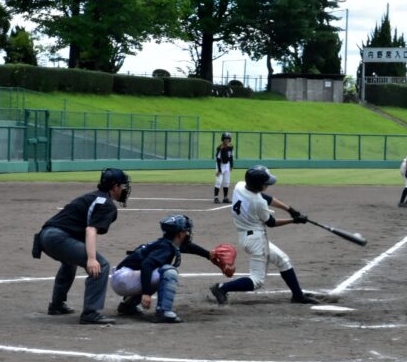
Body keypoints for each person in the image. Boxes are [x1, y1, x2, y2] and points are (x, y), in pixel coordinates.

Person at [209, 165, 320, 305]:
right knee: (257, 281)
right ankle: (221, 288)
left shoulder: (240, 186)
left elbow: (265, 197)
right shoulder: (257, 202)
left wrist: (290, 209)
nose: (267, 186)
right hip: (256, 240)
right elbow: (271, 222)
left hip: (247, 236)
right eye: (265, 184)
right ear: (259, 186)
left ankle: (298, 295)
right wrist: (294, 220)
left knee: (283, 260)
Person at [37, 168, 131, 325]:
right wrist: (92, 259)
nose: (123, 189)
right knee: (100, 265)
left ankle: (57, 305)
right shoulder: (107, 204)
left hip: (46, 236)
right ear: (114, 186)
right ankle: (90, 313)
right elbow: (90, 229)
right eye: (122, 186)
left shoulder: (92, 196)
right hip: (58, 237)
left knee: (69, 263)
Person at [109, 215, 214, 323]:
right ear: (179, 233)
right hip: (125, 279)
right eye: (185, 231)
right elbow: (147, 265)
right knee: (168, 271)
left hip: (122, 278)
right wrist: (146, 293)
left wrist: (209, 255)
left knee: (155, 272)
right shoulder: (166, 247)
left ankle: (128, 305)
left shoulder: (165, 243)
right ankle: (163, 312)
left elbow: (188, 247)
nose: (187, 234)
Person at [214, 132, 234, 204]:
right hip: (220, 165)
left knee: (226, 182)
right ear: (223, 139)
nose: (227, 140)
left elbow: (231, 157)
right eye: (225, 139)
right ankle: (216, 197)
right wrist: (219, 170)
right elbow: (218, 159)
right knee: (218, 181)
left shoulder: (231, 147)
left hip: (227, 165)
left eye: (228, 139)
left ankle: (225, 198)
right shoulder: (220, 148)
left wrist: (231, 166)